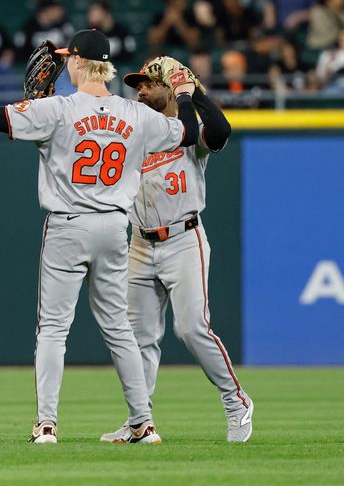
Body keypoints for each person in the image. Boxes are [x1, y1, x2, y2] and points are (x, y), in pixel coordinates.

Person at [0, 29, 203, 443]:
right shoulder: (136, 115)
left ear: (78, 62)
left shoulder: (58, 110)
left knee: (53, 329)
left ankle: (46, 425)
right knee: (118, 329)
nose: (64, 65)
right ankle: (143, 423)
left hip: (68, 223)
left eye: (68, 59)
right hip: (116, 226)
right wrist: (185, 95)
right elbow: (187, 132)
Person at [100, 58, 253, 443]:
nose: (140, 90)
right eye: (138, 85)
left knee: (192, 328)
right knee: (139, 338)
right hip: (140, 242)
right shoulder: (134, 132)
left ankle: (236, 401)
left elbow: (220, 131)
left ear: (169, 89)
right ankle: (140, 421)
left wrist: (194, 93)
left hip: (184, 238)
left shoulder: (189, 130)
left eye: (149, 84)